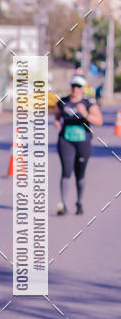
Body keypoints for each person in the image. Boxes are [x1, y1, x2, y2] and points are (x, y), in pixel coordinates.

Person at [54, 74, 102, 215]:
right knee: (66, 171)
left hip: (83, 141)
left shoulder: (88, 103)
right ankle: (63, 205)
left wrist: (85, 114)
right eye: (73, 86)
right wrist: (57, 121)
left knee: (80, 175)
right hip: (66, 140)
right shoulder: (63, 101)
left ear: (82, 88)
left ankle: (79, 202)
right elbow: (57, 114)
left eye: (78, 86)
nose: (75, 89)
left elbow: (99, 120)